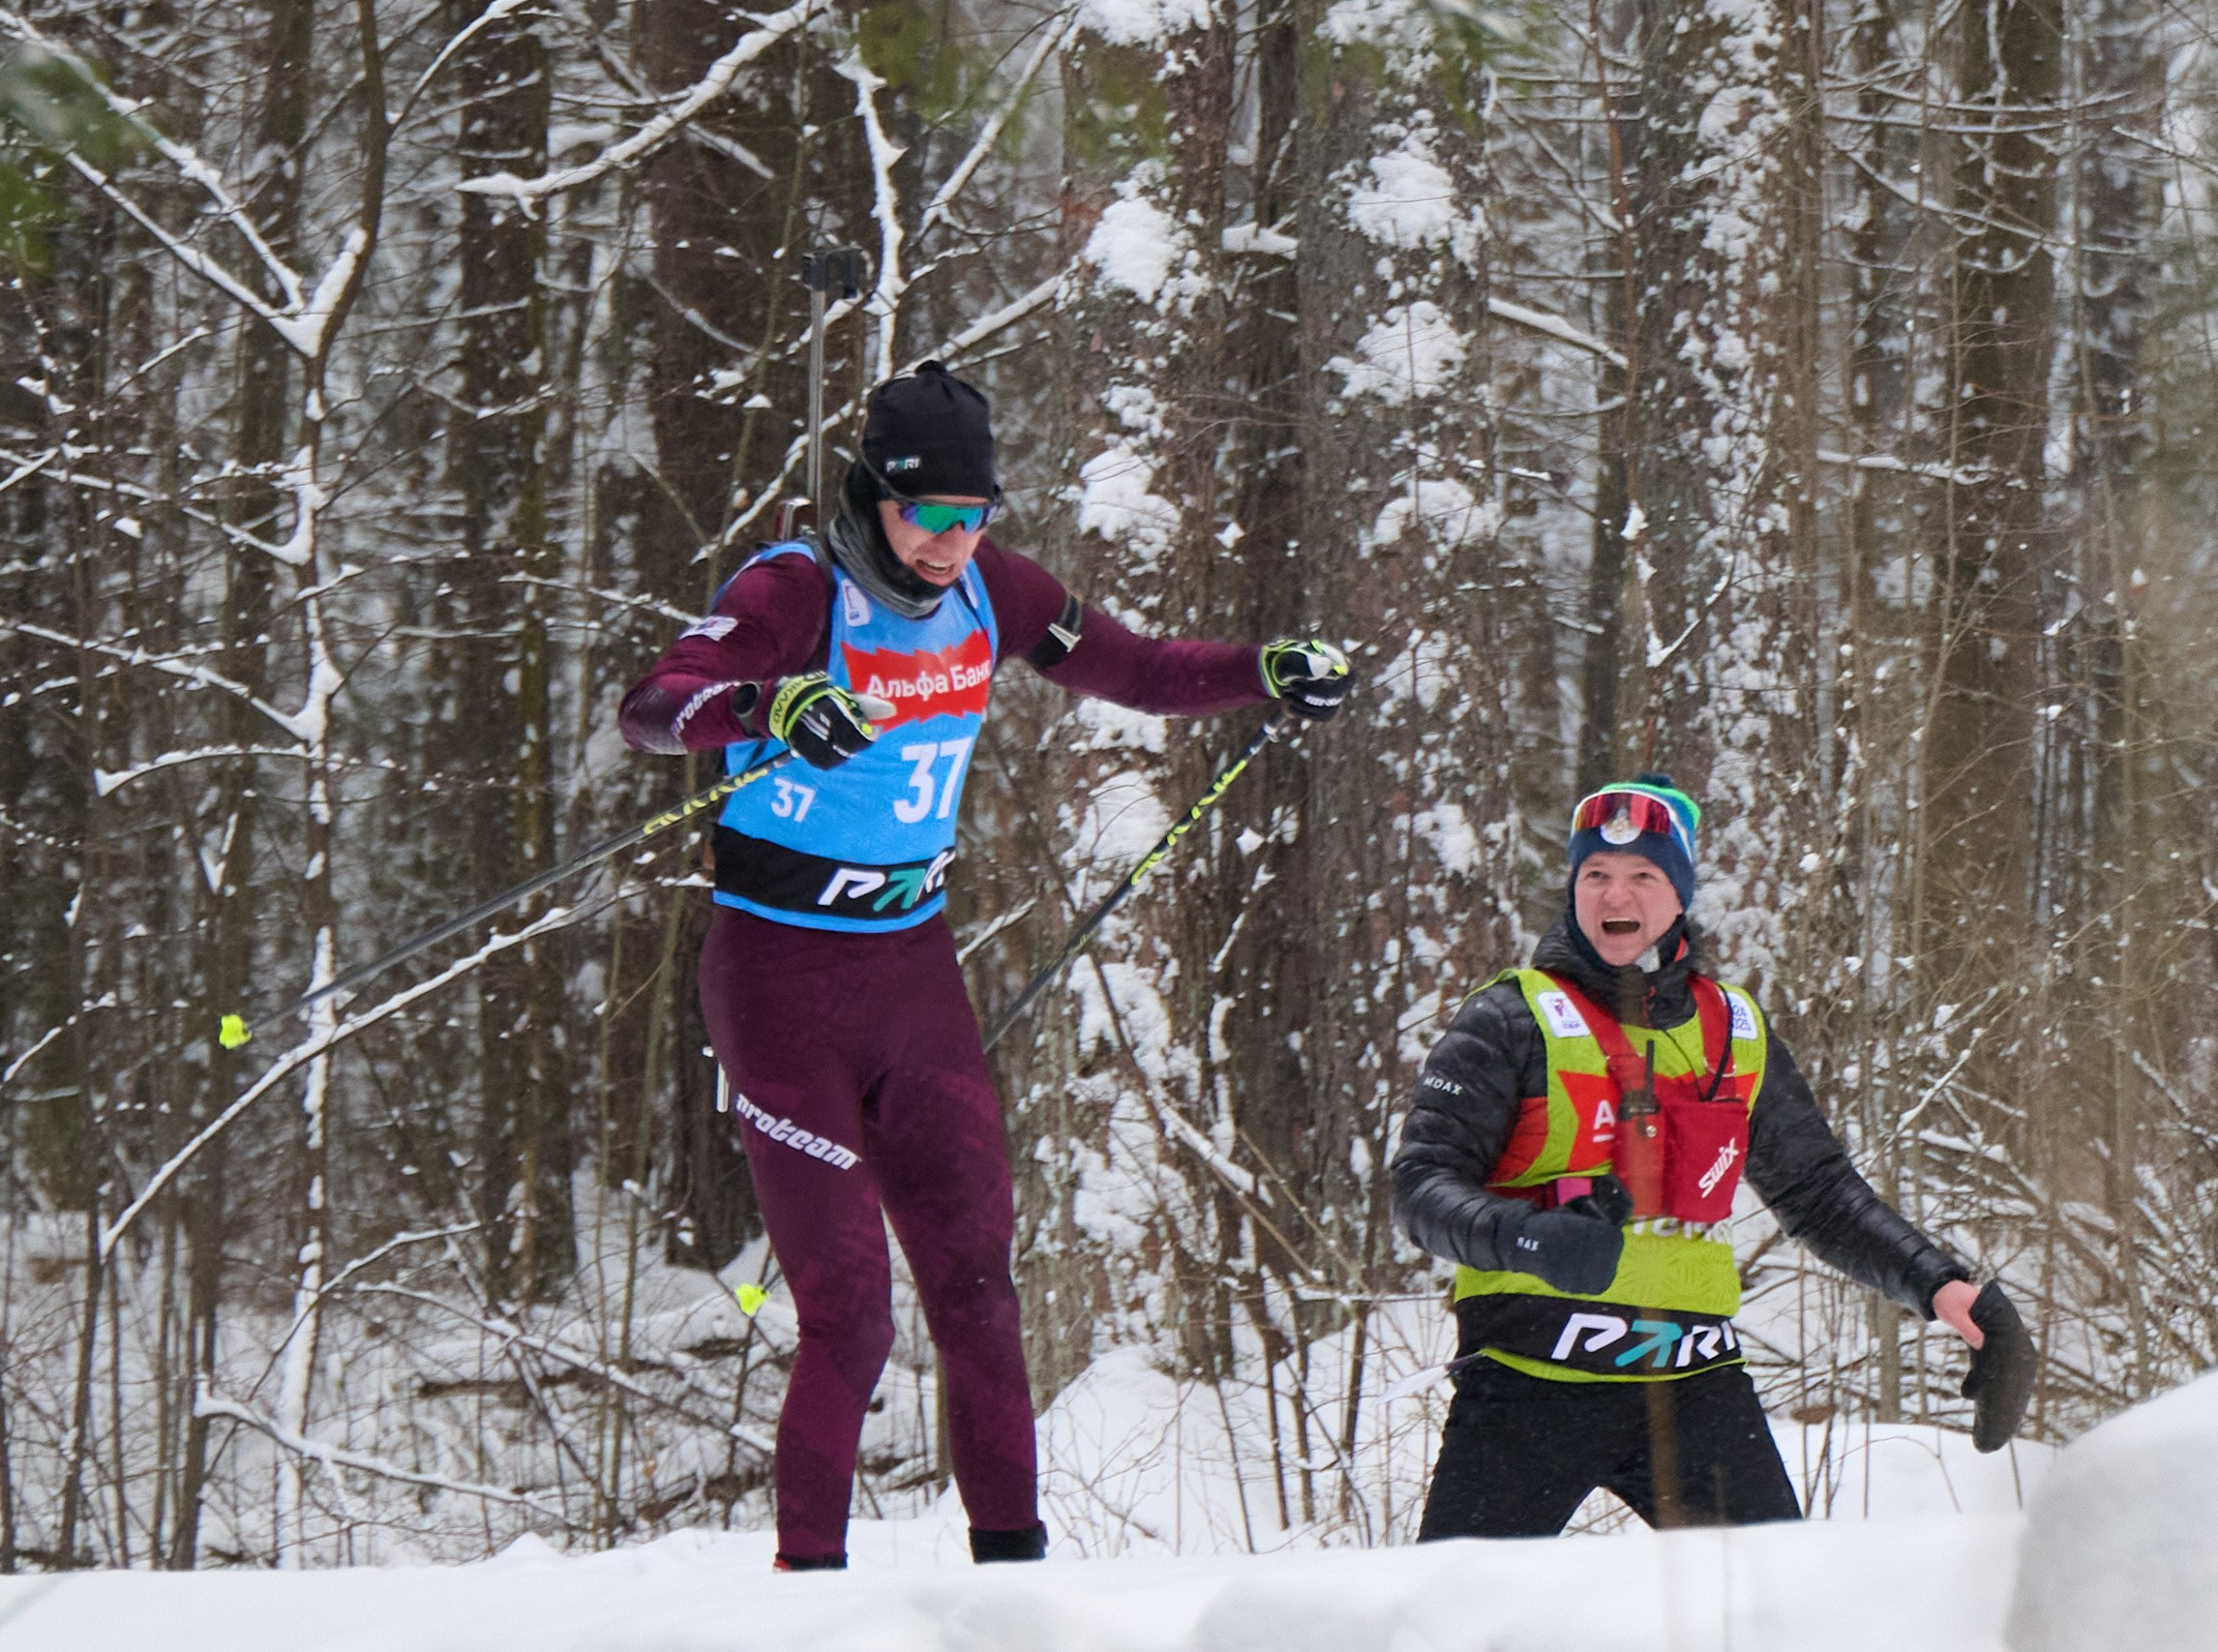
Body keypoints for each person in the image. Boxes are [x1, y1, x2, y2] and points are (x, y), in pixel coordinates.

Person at [618, 360, 1353, 1570]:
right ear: (874, 499)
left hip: (912, 974)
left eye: (977, 517)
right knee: (848, 1320)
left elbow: (1136, 668)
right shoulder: (794, 588)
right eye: (931, 517)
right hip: (778, 981)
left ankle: (1012, 1591)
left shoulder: (994, 593)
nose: (955, 543)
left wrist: (1260, 671)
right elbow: (654, 704)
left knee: (977, 1292)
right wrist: (768, 706)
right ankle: (807, 1599)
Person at [1390, 774, 2035, 1539]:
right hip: (1529, 1388)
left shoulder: (1736, 1027)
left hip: (1693, 1390)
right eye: (1594, 873)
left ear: (1679, 893)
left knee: (1777, 1621)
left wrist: (1944, 1286)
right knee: (1451, 1626)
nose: (1612, 894)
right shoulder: (1510, 1016)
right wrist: (1526, 1237)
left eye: (1641, 875)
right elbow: (1421, 1185)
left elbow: (1820, 1193)